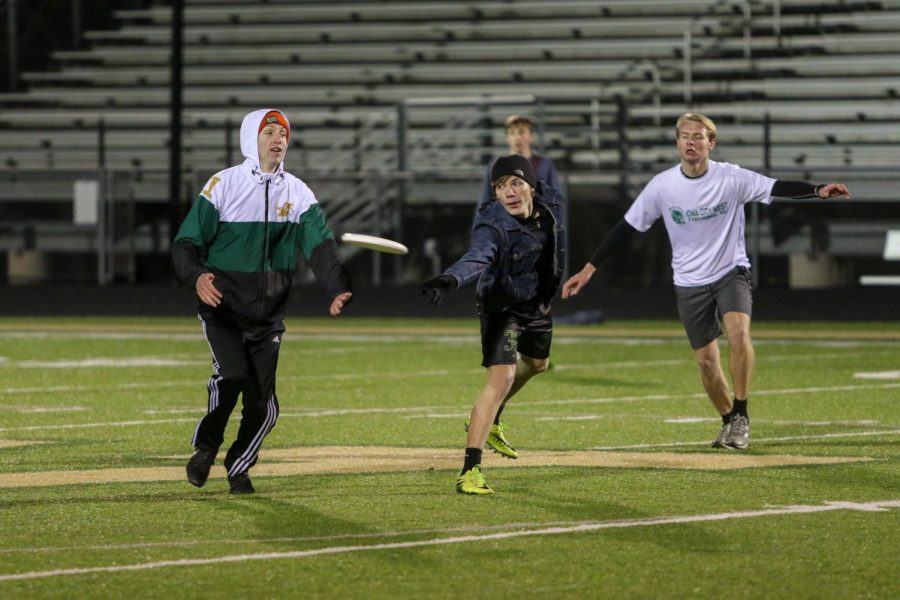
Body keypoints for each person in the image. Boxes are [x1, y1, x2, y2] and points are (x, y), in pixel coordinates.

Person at [561, 113, 851, 450]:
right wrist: (589, 268)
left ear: (710, 143)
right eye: (684, 136)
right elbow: (627, 228)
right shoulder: (663, 186)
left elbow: (776, 187)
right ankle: (728, 421)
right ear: (677, 143)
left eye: (698, 137)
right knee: (706, 362)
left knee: (739, 335)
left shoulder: (731, 177)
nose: (690, 142)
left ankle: (741, 413)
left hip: (731, 272)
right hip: (688, 282)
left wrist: (817, 190)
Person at [172, 108, 353, 494]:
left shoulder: (298, 192)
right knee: (233, 375)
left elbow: (318, 243)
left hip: (268, 317)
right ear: (250, 139)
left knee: (263, 406)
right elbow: (186, 243)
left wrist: (336, 286)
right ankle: (206, 447)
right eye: (268, 131)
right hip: (222, 308)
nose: (277, 139)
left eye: (283, 134)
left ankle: (238, 466)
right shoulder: (223, 184)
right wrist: (197, 276)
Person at [420, 155, 566, 494]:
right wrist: (450, 279)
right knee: (502, 379)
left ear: (530, 185)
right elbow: (478, 256)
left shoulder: (549, 205)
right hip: (502, 307)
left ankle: (491, 416)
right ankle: (470, 470)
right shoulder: (492, 223)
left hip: (536, 303)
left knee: (538, 365)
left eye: (515, 183)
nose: (509, 192)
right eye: (500, 186)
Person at [476, 115, 566, 219]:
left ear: (531, 136)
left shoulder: (544, 165)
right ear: (507, 138)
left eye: (521, 132)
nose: (517, 137)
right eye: (512, 133)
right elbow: (485, 202)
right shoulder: (495, 166)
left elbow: (557, 201)